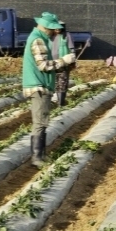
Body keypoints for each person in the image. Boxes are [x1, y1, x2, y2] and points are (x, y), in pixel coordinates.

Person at [22, 12, 76, 168]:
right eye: (53, 29)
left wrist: (64, 65)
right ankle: (37, 158)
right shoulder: (38, 40)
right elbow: (43, 65)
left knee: (42, 122)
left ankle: (42, 155)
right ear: (46, 28)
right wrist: (63, 60)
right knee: (39, 122)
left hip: (41, 85)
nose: (55, 32)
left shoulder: (39, 39)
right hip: (38, 87)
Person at [51, 21, 76, 106]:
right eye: (56, 28)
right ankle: (56, 100)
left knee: (62, 82)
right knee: (54, 83)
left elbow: (72, 49)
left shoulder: (66, 36)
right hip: (52, 63)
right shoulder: (50, 36)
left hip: (64, 63)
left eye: (59, 28)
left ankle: (61, 103)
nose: (57, 29)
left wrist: (72, 61)